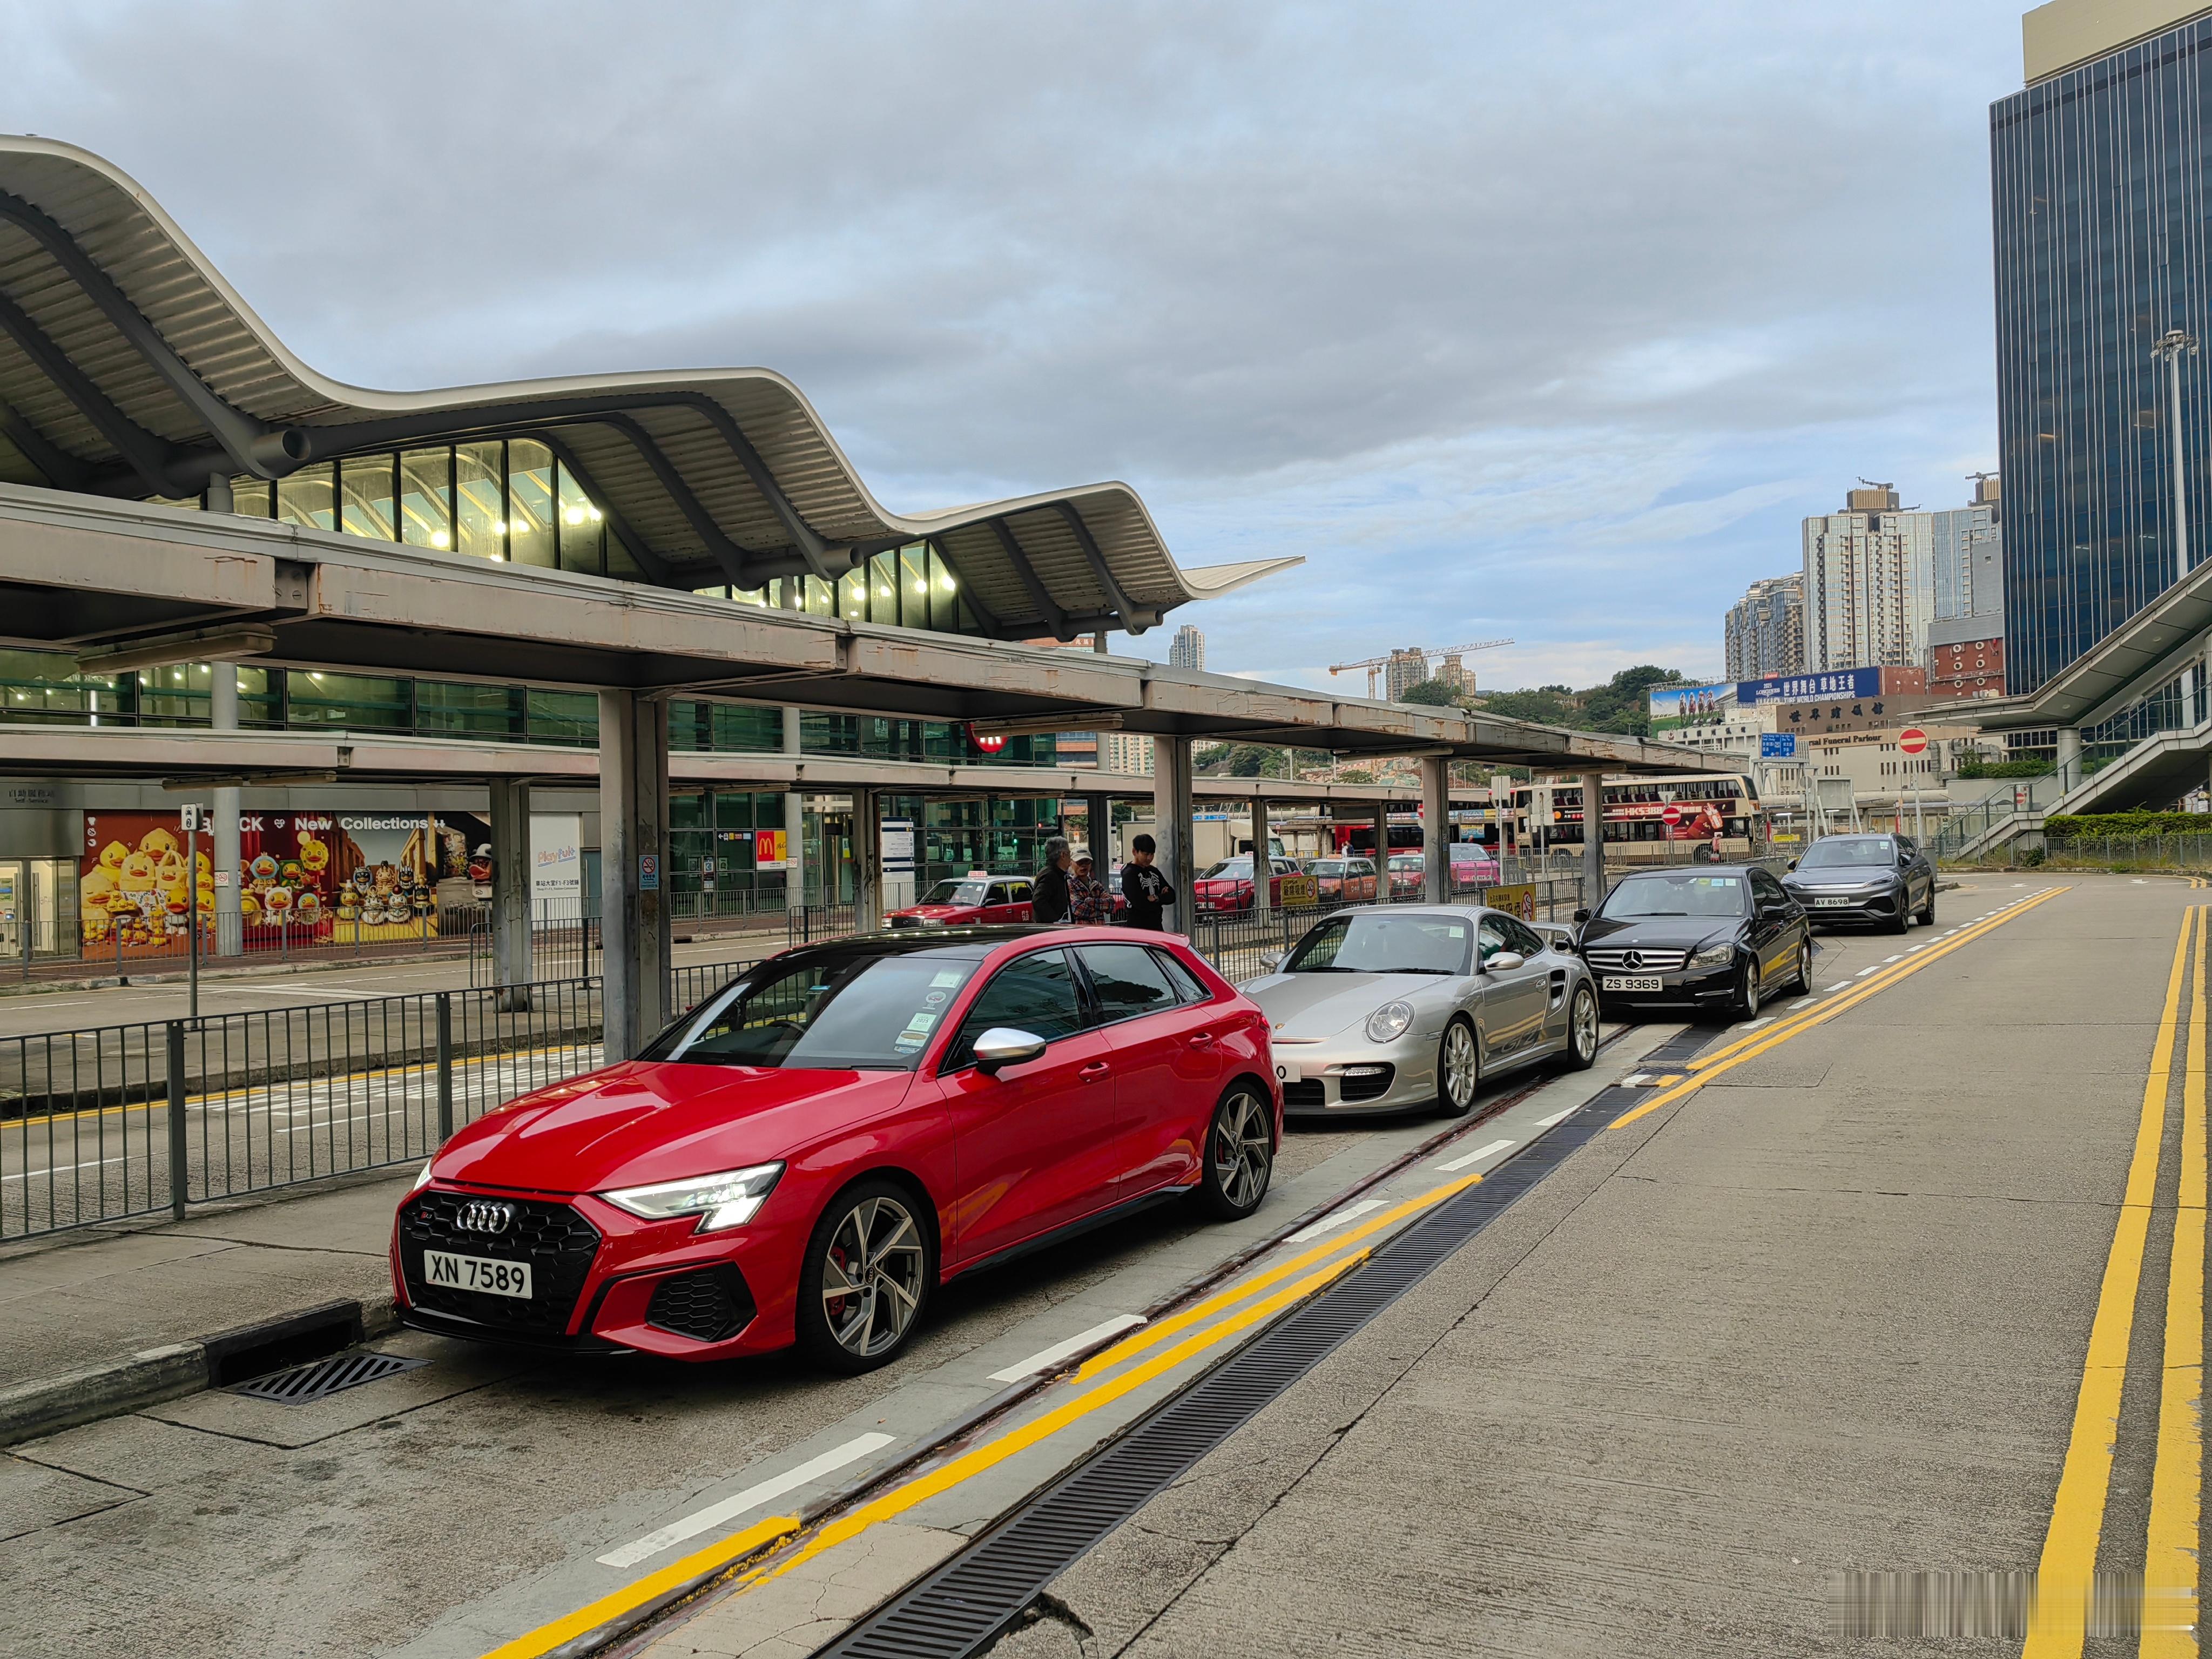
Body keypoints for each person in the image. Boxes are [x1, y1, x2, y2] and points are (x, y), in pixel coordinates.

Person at [1120, 833, 1176, 930]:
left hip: (1157, 926)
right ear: (1135, 852)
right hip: (1137, 928)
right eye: (1146, 854)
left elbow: (1172, 896)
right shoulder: (1129, 874)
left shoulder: (1153, 871)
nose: (1149, 858)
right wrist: (1161, 899)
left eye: (1152, 854)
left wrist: (1156, 898)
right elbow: (1140, 903)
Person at [1031, 835, 1072, 923]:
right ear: (1063, 855)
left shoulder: (1057, 873)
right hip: (1050, 930)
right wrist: (1055, 921)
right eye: (1069, 853)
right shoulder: (1050, 875)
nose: (1071, 858)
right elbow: (1038, 900)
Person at [1067, 849, 1112, 925]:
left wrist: (1092, 902)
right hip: (1081, 933)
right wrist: (1101, 909)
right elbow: (1079, 910)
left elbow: (1111, 904)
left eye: (1087, 862)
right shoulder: (1070, 884)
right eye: (1079, 862)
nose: (1083, 865)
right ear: (1071, 863)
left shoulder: (1096, 885)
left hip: (1100, 932)